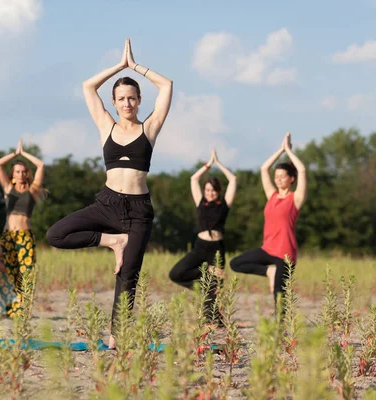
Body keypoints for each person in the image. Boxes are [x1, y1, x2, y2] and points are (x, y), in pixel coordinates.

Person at [46, 38, 173, 348]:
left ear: (139, 100)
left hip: (139, 211)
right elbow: (88, 87)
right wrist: (120, 65)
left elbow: (167, 85)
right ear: (114, 103)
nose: (127, 104)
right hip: (107, 204)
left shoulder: (150, 128)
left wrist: (136, 66)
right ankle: (112, 241)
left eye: (132, 98)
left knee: (127, 275)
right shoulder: (106, 125)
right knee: (56, 235)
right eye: (121, 99)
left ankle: (118, 334)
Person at [230, 132, 307, 308]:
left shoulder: (295, 199)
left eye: (282, 176)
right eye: (277, 176)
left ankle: (280, 332)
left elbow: (302, 170)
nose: (278, 179)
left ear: (291, 179)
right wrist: (281, 150)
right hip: (268, 249)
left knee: (279, 295)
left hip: (285, 252)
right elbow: (264, 168)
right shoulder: (271, 195)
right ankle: (268, 271)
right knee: (236, 263)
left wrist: (289, 152)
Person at [0, 139, 45, 317]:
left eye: (23, 172)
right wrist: (16, 154)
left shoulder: (32, 190)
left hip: (25, 237)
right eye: (17, 172)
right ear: (13, 175)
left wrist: (25, 154)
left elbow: (41, 165)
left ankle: (21, 311)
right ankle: (12, 271)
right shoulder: (8, 188)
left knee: (27, 277)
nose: (21, 174)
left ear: (27, 174)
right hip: (8, 237)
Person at [169, 148, 236, 320]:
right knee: (176, 273)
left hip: (217, 249)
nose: (210, 193)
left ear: (218, 191)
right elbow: (193, 179)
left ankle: (213, 320)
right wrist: (208, 164)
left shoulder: (224, 205)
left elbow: (233, 179)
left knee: (215, 285)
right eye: (207, 190)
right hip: (200, 247)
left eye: (213, 190)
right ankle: (202, 282)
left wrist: (219, 164)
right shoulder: (200, 202)